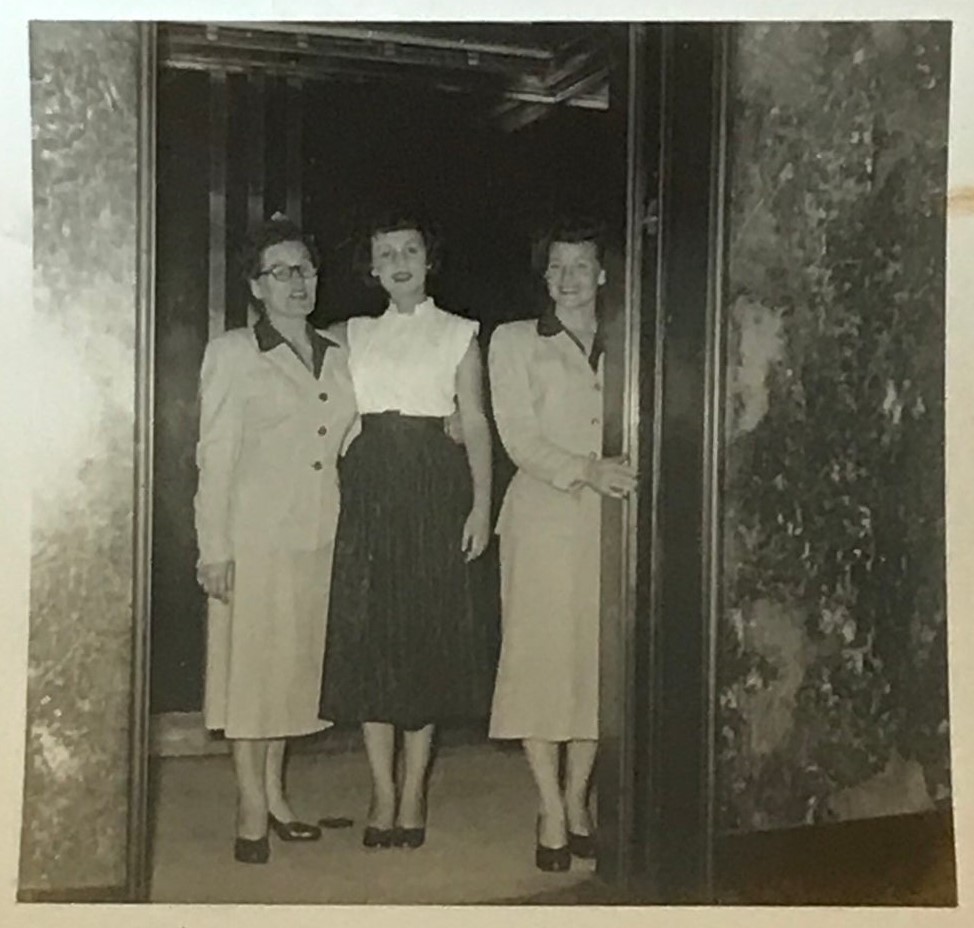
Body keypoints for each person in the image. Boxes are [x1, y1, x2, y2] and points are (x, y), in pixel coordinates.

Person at [318, 211, 493, 850]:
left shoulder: (460, 333)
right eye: (385, 252)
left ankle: (414, 789)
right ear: (371, 268)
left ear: (428, 257)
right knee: (372, 636)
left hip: (433, 489)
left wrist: (480, 506)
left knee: (423, 640)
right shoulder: (351, 334)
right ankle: (381, 791)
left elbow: (473, 420)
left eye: (410, 249)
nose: (398, 261)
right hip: (369, 489)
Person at [194, 215, 358, 864]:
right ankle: (250, 804)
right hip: (254, 536)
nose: (297, 282)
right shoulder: (233, 352)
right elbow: (215, 455)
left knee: (292, 671)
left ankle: (278, 793)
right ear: (256, 287)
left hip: (320, 532)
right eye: (280, 272)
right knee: (251, 673)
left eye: (306, 269)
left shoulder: (339, 356)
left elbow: (343, 440)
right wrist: (214, 548)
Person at [487, 219, 637, 872]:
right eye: (556, 267)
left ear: (603, 274)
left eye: (580, 266)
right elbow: (517, 436)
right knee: (539, 663)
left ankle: (579, 800)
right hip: (543, 518)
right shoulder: (515, 340)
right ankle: (548, 806)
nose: (568, 279)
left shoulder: (631, 341)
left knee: (594, 667)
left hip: (612, 522)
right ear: (544, 276)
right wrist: (586, 467)